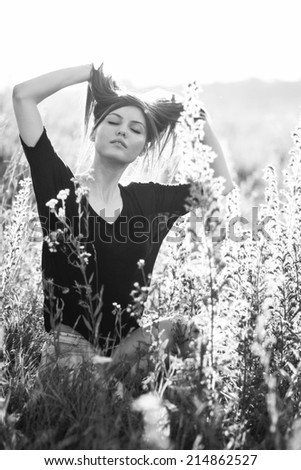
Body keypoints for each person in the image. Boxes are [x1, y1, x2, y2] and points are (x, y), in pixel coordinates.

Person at [12, 64, 233, 380]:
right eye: (113, 121)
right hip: (70, 346)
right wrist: (90, 72)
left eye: (135, 129)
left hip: (127, 348)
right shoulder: (59, 188)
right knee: (98, 395)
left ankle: (158, 405)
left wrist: (198, 116)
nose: (122, 130)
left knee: (186, 330)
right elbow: (23, 97)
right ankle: (110, 393)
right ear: (94, 132)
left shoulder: (149, 202)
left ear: (141, 149)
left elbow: (220, 186)